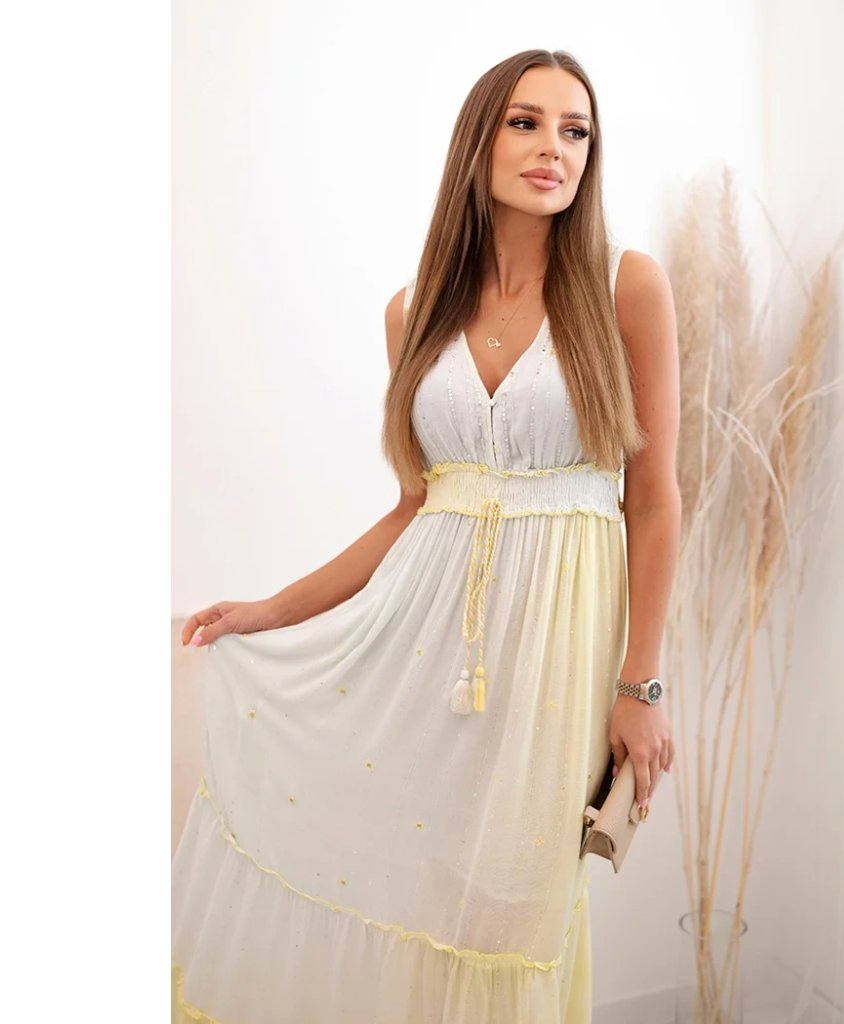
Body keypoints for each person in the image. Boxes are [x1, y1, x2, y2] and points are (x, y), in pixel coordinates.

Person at [172, 47, 680, 1024]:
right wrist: (272, 609)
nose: (554, 146)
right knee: (422, 885)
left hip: (557, 657)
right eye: (526, 122)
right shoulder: (413, 311)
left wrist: (641, 683)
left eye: (575, 130)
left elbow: (654, 499)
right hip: (424, 649)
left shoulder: (626, 285)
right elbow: (414, 506)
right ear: (477, 142)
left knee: (518, 909)